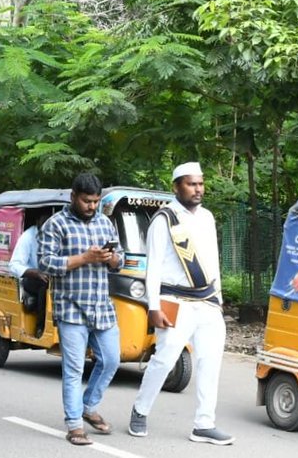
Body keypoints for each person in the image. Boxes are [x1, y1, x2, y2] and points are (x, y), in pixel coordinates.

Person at [129, 162, 234, 445]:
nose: (198, 189)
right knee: (164, 360)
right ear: (176, 187)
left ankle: (204, 424)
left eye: (200, 184)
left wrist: (219, 299)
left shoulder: (208, 217)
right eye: (191, 184)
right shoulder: (164, 219)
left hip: (208, 302)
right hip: (173, 300)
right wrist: (153, 307)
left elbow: (212, 261)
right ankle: (140, 410)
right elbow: (152, 268)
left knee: (210, 363)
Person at [38, 173, 122, 446]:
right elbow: (47, 264)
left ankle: (88, 406)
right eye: (87, 201)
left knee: (111, 360)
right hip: (71, 308)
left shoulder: (105, 223)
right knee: (73, 369)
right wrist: (85, 258)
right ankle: (74, 425)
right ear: (73, 196)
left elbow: (120, 261)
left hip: (102, 307)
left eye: (96, 202)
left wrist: (111, 258)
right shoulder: (55, 224)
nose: (92, 207)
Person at [9, 216, 49, 312]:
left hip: (51, 276)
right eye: (45, 221)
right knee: (44, 285)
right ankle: (41, 325)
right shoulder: (28, 236)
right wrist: (35, 273)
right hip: (31, 278)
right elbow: (14, 265)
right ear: (38, 221)